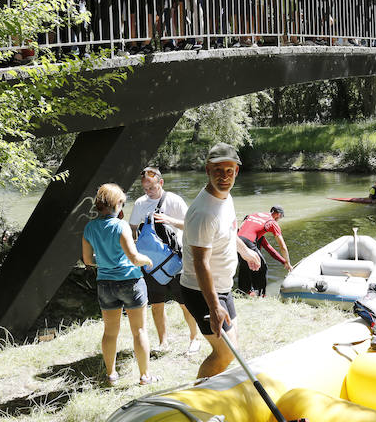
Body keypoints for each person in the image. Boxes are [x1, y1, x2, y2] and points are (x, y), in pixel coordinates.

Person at [180, 143, 261, 379]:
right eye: (218, 170)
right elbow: (200, 263)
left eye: (229, 170)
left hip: (222, 288)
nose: (224, 176)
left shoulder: (225, 197)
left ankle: (215, 394)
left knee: (231, 348)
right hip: (202, 292)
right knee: (225, 354)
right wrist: (214, 306)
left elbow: (227, 232)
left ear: (236, 171)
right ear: (207, 170)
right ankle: (198, 401)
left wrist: (244, 251)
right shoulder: (204, 213)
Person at [82, 183, 157, 386]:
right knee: (139, 330)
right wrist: (148, 260)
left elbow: (88, 260)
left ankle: (111, 375)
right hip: (130, 282)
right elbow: (134, 258)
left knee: (110, 331)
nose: (122, 208)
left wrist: (105, 262)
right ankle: (145, 376)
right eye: (121, 203)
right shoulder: (120, 225)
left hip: (105, 284)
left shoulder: (89, 227)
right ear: (115, 204)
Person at [128, 167, 201, 354]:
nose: (148, 192)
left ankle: (194, 338)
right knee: (157, 305)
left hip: (176, 262)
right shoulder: (140, 204)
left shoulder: (174, 200)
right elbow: (132, 229)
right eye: (145, 189)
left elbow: (190, 225)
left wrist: (169, 220)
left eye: (151, 188)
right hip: (151, 264)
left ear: (161, 183)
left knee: (185, 303)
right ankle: (163, 342)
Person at [236, 205, 292, 297]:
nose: (279, 219)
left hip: (236, 239)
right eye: (281, 217)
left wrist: (283, 261)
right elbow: (283, 247)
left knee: (245, 265)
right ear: (278, 214)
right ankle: (261, 294)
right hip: (247, 241)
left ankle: (245, 291)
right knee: (262, 267)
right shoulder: (272, 223)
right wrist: (288, 262)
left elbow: (269, 249)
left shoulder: (255, 216)